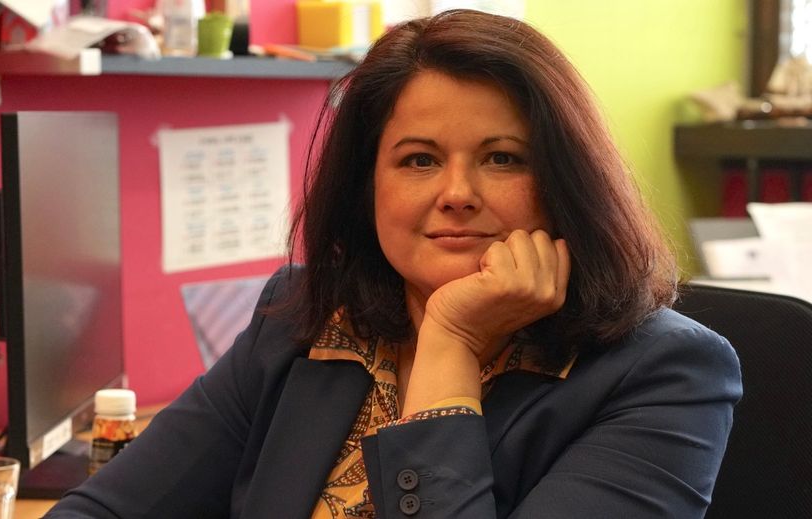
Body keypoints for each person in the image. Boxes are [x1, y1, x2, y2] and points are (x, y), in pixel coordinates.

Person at [46, 10, 741, 519]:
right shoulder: (303, 318)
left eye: (502, 158)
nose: (457, 193)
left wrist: (451, 342)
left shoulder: (666, 374)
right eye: (419, 160)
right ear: (367, 186)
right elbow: (104, 509)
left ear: (566, 182)